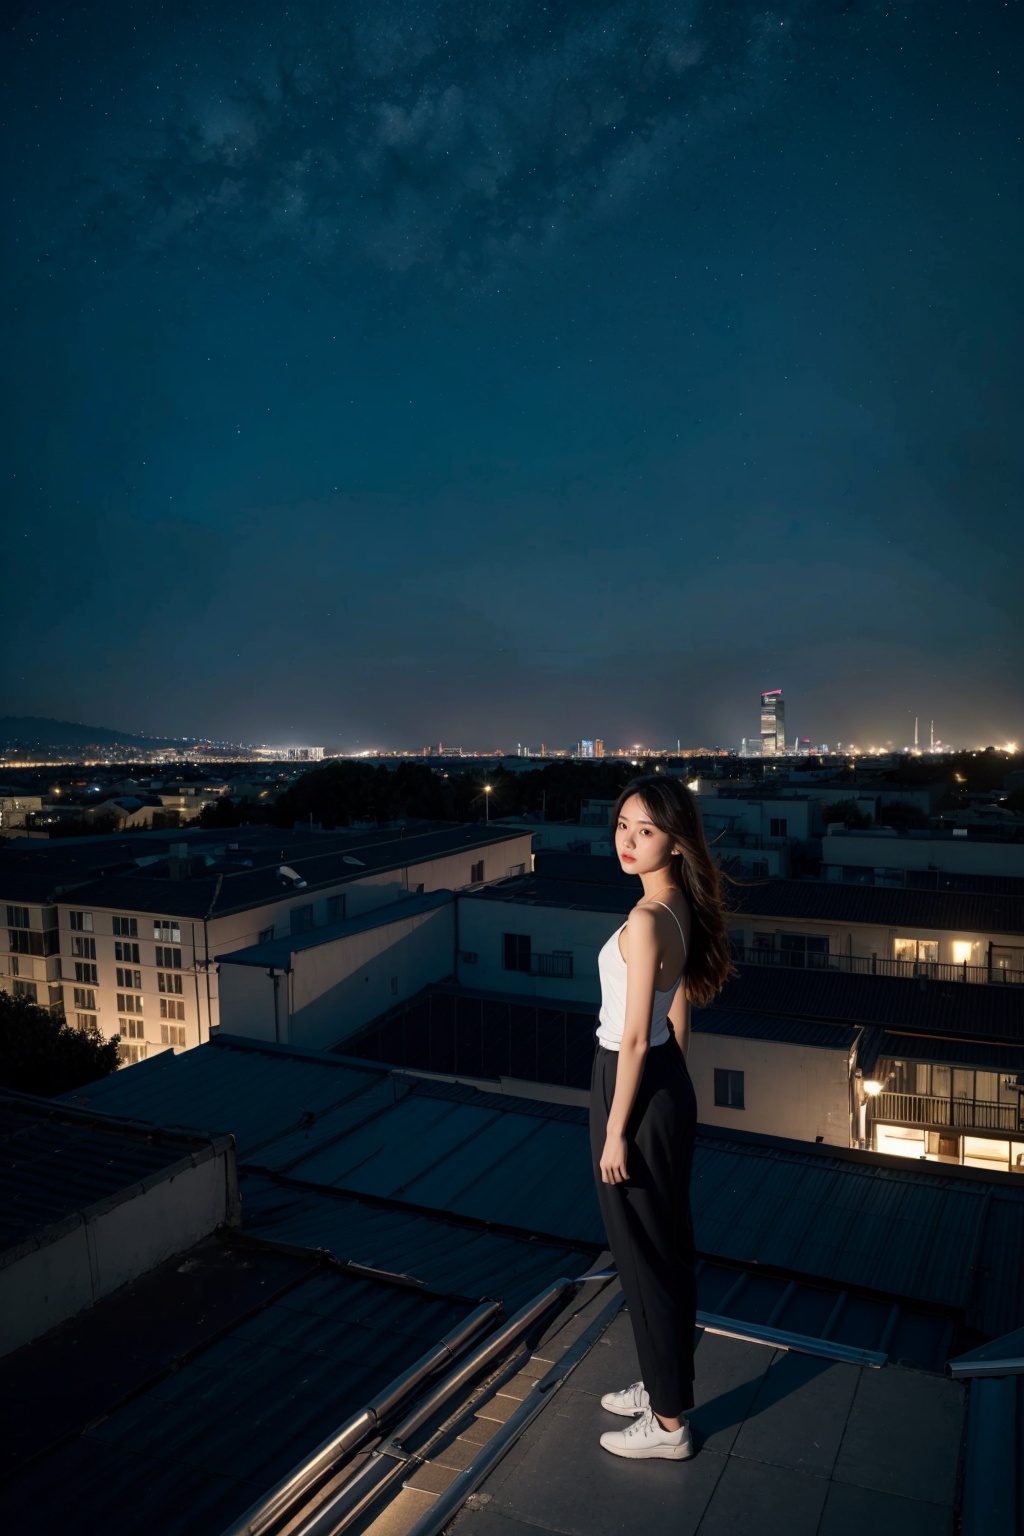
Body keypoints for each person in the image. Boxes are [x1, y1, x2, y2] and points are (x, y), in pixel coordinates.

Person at [590, 773, 734, 1460]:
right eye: (623, 824)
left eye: (645, 830)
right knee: (667, 1248)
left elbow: (632, 1033)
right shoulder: (674, 905)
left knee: (643, 1255)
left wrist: (620, 1127)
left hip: (632, 1083)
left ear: (674, 841)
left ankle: (670, 1425)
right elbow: (674, 1010)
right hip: (662, 1083)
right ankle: (662, 1384)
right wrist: (671, 1087)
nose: (628, 839)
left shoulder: (648, 919)